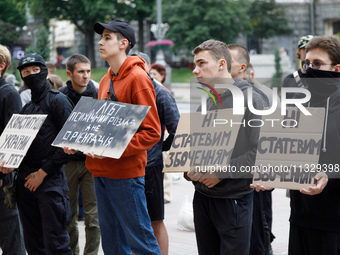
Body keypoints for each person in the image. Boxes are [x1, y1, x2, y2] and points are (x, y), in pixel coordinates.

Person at [65, 20, 162, 254]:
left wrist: (113, 148)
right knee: (112, 245)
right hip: (100, 171)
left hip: (125, 175)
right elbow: (102, 127)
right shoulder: (106, 79)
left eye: (108, 37)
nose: (100, 41)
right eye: (102, 37)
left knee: (142, 243)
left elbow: (152, 132)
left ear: (123, 44)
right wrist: (78, 142)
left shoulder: (138, 77)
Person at [253, 35, 340, 255]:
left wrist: (329, 173)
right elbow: (286, 147)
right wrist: (272, 174)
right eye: (306, 63)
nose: (309, 69)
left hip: (335, 219)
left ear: (337, 69)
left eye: (317, 64)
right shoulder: (297, 103)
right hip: (301, 214)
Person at [185, 39, 265, 255]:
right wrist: (187, 170)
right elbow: (194, 146)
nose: (195, 70)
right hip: (202, 197)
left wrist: (220, 173)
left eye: (202, 64)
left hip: (232, 200)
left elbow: (261, 152)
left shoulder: (252, 100)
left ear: (221, 65)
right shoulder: (207, 100)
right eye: (195, 64)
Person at [0, 53, 74, 254]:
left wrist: (42, 173)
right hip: (25, 182)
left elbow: (68, 144)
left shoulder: (59, 101)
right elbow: (17, 148)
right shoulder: (26, 109)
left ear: (45, 71)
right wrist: (7, 166)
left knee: (56, 243)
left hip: (49, 182)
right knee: (33, 244)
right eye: (25, 71)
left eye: (35, 70)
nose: (31, 74)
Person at [132, 52, 180, 255]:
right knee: (133, 222)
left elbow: (177, 128)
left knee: (155, 220)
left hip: (150, 166)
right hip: (126, 166)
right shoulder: (123, 89)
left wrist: (161, 147)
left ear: (147, 67)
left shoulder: (160, 93)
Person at [227, 43, 272, 255]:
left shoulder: (256, 98)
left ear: (242, 67)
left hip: (251, 186)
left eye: (228, 61)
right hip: (229, 188)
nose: (223, 65)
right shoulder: (220, 97)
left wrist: (218, 171)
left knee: (256, 241)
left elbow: (260, 150)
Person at [59, 54, 100, 255]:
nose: (85, 76)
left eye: (88, 71)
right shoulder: (60, 95)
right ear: (70, 73)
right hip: (67, 162)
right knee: (68, 215)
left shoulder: (99, 94)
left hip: (93, 162)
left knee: (93, 217)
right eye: (81, 72)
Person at [0, 44, 26, 255]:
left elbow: (15, 138)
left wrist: (3, 172)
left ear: (1, 66)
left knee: (10, 237)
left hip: (3, 178)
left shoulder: (8, 93)